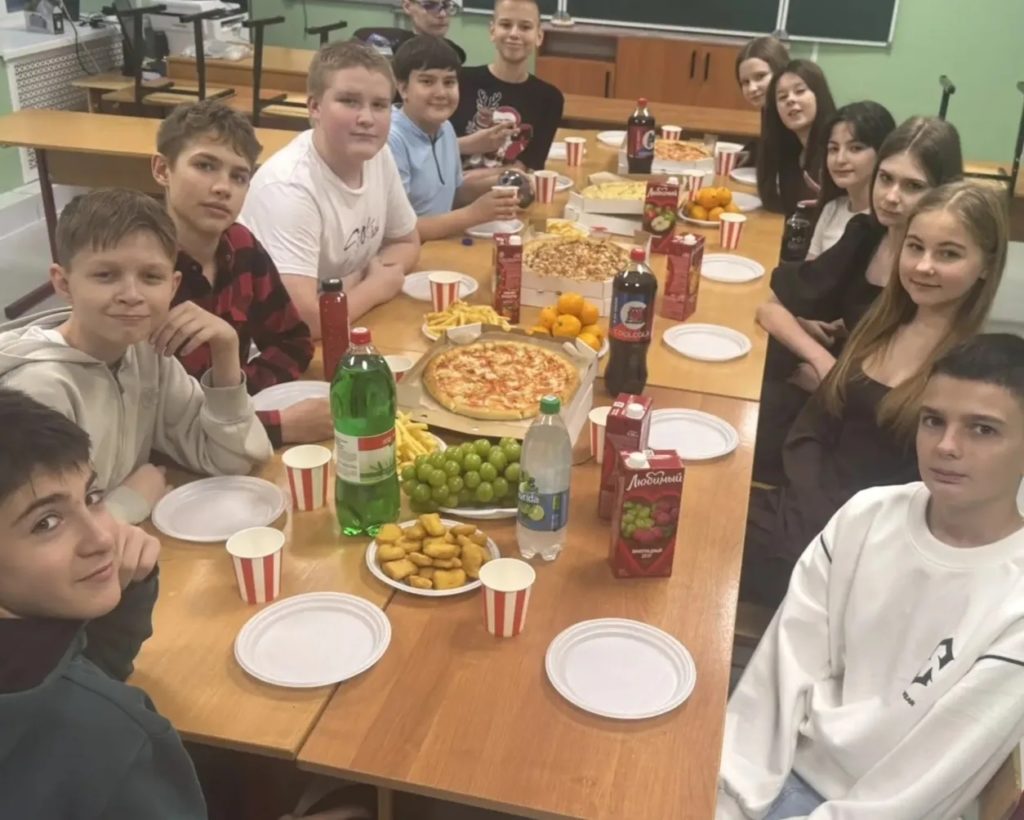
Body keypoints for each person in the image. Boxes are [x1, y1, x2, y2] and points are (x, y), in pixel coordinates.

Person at [719, 333, 1024, 820]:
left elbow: (919, 789)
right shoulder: (868, 514)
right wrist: (727, 798)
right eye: (933, 420)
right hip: (778, 771)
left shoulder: (1014, 606)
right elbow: (780, 672)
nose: (946, 446)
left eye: (982, 429)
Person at [743, 181, 1009, 608]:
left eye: (948, 254)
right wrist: (805, 507)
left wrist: (828, 531)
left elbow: (929, 503)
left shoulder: (970, 376)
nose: (923, 266)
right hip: (799, 515)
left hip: (865, 558)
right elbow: (814, 425)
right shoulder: (880, 325)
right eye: (915, 247)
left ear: (985, 266)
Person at [0, 189, 272, 525]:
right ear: (63, 283)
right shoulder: (36, 391)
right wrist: (128, 504)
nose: (131, 295)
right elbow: (39, 540)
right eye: (105, 275)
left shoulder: (145, 353)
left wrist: (226, 351)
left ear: (173, 286)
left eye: (151, 277)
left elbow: (232, 458)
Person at [0, 388, 208, 819]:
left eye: (92, 498)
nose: (102, 538)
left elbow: (81, 669)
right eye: (46, 522)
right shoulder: (111, 735)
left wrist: (122, 595)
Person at [753, 116, 963, 484]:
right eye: (886, 178)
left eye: (913, 186)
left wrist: (835, 378)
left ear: (943, 192)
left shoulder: (935, 274)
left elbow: (903, 393)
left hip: (878, 427)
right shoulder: (866, 233)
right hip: (840, 386)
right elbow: (772, 307)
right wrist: (824, 363)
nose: (891, 197)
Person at [152, 100, 330, 448]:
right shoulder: (139, 273)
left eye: (239, 176)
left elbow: (293, 343)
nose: (223, 187)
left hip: (228, 445)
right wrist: (272, 426)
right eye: (205, 166)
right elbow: (152, 422)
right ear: (162, 170)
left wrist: (237, 398)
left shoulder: (241, 245)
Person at [240, 41, 420, 337]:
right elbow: (302, 321)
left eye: (379, 105)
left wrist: (354, 286)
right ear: (315, 107)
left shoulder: (378, 155)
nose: (367, 118)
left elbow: (407, 242)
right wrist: (374, 287)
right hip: (273, 347)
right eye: (349, 101)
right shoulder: (289, 187)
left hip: (347, 325)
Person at [389, 35, 519, 241]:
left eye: (449, 82)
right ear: (403, 88)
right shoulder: (391, 140)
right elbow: (400, 231)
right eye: (427, 81)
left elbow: (454, 193)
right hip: (410, 252)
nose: (441, 93)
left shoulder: (445, 128)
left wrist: (504, 182)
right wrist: (474, 214)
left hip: (441, 244)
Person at [450, 0, 564, 174]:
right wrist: (471, 145)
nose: (514, 34)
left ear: (539, 36)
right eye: (505, 25)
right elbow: (430, 147)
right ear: (492, 31)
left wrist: (467, 180)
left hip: (507, 189)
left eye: (525, 27)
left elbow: (525, 167)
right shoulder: (458, 81)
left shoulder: (549, 99)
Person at [806, 101, 895, 259]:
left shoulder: (888, 220)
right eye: (833, 149)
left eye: (855, 148)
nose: (840, 159)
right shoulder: (832, 208)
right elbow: (809, 269)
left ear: (882, 152)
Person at [757, 59, 837, 215]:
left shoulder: (834, 151)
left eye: (800, 91)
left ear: (819, 95)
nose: (790, 100)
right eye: (782, 97)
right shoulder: (791, 152)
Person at [394, 0, 467, 63]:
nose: (442, 14)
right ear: (407, 7)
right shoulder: (395, 53)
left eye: (447, 5)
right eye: (429, 6)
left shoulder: (455, 53)